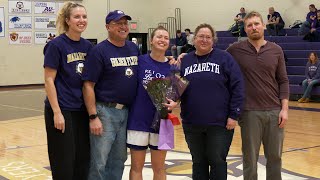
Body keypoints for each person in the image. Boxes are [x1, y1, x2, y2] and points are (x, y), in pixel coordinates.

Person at [227, 11, 289, 180]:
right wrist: (185, 56)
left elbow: (283, 81)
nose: (253, 27)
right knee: (250, 158)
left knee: (275, 157)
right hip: (249, 113)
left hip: (275, 112)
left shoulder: (276, 50)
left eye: (256, 24)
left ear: (263, 26)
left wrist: (284, 109)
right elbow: (217, 60)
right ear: (245, 29)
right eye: (249, 25)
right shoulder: (235, 50)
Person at [180, 23, 245, 180]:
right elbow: (177, 87)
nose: (204, 40)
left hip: (219, 123)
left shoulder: (224, 58)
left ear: (213, 40)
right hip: (191, 122)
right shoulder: (186, 60)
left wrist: (234, 115)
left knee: (217, 161)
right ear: (194, 39)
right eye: (201, 36)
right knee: (198, 162)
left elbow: (238, 86)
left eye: (208, 37)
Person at [82, 10, 140, 180]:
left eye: (125, 23)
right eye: (117, 23)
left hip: (126, 112)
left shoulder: (133, 48)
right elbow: (88, 85)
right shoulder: (99, 51)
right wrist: (93, 116)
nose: (123, 27)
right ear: (108, 27)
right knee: (99, 160)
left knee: (119, 159)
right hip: (105, 111)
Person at [43, 2, 92, 180]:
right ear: (67, 20)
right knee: (63, 162)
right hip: (62, 109)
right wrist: (56, 112)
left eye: (84, 17)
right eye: (77, 17)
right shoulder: (56, 45)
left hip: (81, 110)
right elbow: (49, 79)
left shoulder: (88, 47)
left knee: (82, 161)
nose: (81, 20)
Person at [127, 26, 178, 180]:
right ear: (151, 41)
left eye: (166, 38)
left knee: (160, 168)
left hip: (162, 123)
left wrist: (175, 103)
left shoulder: (173, 67)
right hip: (138, 120)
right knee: (136, 167)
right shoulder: (140, 61)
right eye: (159, 37)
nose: (162, 40)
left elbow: (176, 94)